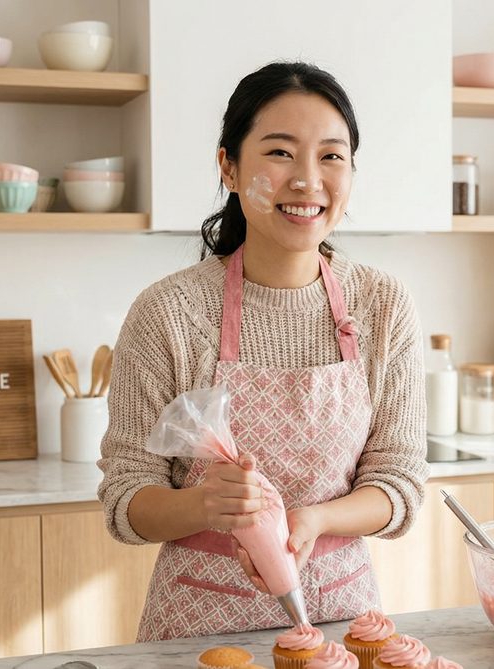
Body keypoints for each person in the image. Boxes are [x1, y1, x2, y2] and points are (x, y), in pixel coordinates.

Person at [97, 61, 428, 642]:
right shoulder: (168, 313)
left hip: (344, 623)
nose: (307, 180)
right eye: (279, 153)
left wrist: (316, 519)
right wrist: (205, 506)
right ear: (228, 165)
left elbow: (399, 484)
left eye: (331, 156)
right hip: (198, 628)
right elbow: (126, 500)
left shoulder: (383, 305)